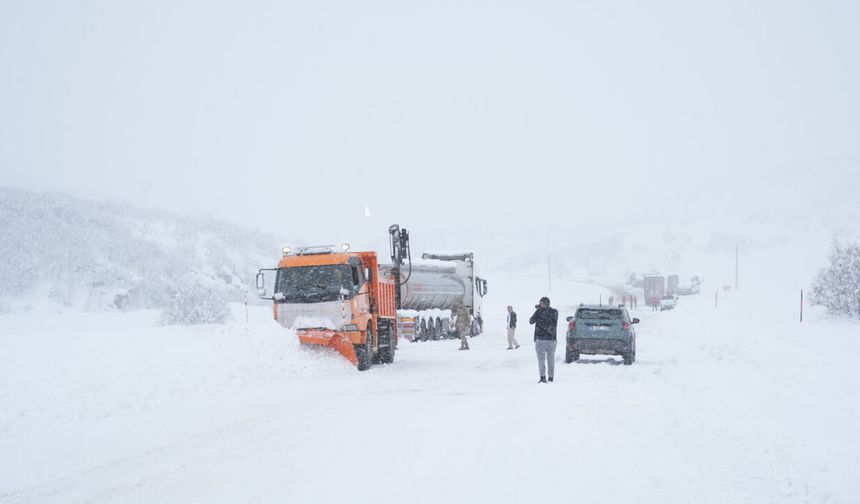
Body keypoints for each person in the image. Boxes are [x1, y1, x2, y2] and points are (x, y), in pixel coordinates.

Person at [529, 296, 558, 383]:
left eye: (542, 303)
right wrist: (538, 312)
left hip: (548, 339)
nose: (541, 305)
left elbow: (551, 325)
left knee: (550, 359)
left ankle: (551, 377)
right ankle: (543, 377)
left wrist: (540, 314)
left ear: (547, 303)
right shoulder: (540, 312)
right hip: (542, 339)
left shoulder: (553, 312)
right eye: (540, 303)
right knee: (542, 360)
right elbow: (531, 321)